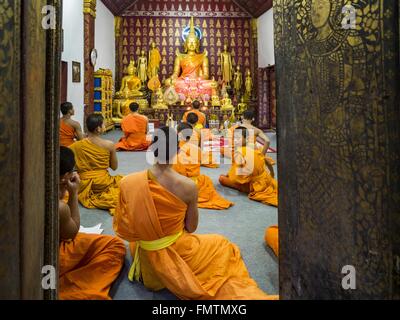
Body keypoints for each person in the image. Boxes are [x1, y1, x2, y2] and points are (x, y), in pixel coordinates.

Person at [113, 127, 277, 300]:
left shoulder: (128, 182)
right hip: (178, 251)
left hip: (146, 259)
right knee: (222, 245)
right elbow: (191, 227)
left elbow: (124, 228)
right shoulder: (187, 186)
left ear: (150, 149)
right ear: (177, 150)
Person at [59, 147, 126, 300]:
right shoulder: (108, 144)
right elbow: (71, 234)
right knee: (115, 246)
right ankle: (74, 286)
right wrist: (74, 193)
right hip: (51, 255)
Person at [69, 114, 123, 214]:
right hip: (103, 183)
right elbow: (114, 167)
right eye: (103, 125)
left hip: (82, 184)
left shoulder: (75, 145)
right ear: (98, 129)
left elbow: (69, 164)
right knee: (125, 184)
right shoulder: (109, 145)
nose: (105, 126)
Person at [174, 123, 233, 210]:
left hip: (181, 183)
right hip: (195, 182)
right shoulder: (196, 149)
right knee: (206, 180)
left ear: (178, 133)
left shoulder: (175, 151)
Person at [219, 127, 278, 207]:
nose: (235, 141)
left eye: (238, 138)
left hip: (254, 185)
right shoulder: (254, 146)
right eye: (234, 138)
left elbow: (237, 178)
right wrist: (272, 175)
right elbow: (266, 161)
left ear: (246, 138)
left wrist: (229, 176)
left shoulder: (239, 152)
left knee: (222, 179)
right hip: (265, 179)